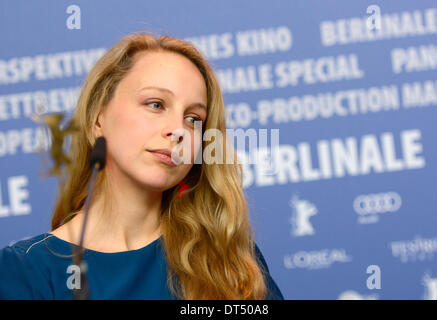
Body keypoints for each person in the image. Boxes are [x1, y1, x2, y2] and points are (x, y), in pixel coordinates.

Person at [0, 33, 284, 300]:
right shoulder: (26, 270)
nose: (177, 130)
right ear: (98, 118)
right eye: (156, 104)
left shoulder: (225, 256)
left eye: (194, 119)